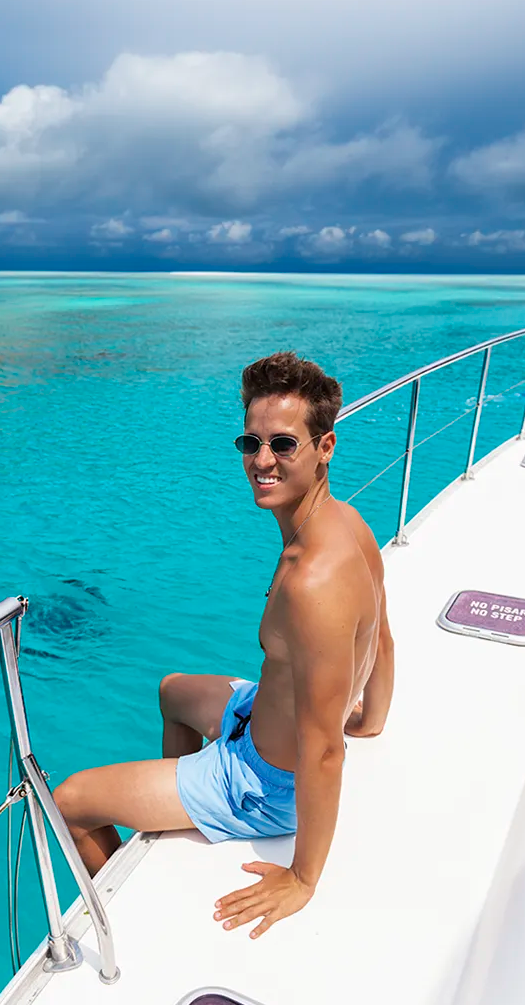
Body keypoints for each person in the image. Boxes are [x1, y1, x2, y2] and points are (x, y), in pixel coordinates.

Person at [54, 351, 393, 938]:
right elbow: (383, 639)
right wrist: (368, 720)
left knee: (71, 801)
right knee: (172, 692)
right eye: (250, 442)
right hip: (260, 716)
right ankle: (169, 815)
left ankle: (136, 919)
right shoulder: (350, 525)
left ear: (324, 447)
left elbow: (322, 753)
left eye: (284, 445)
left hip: (263, 783)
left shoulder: (313, 580)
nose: (262, 461)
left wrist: (303, 878)